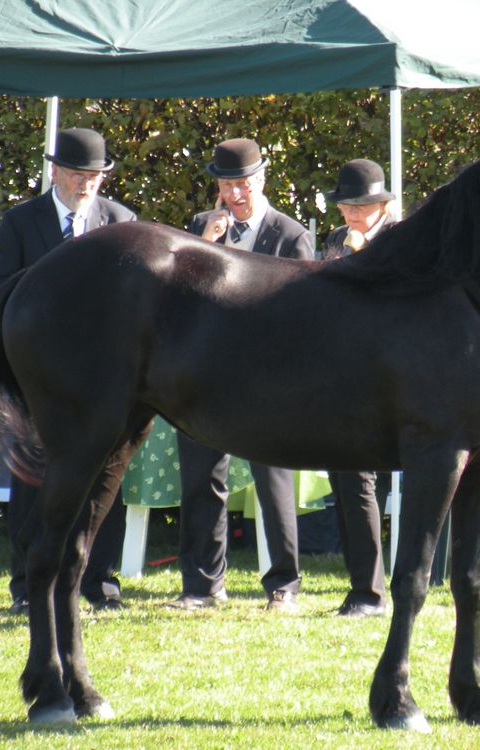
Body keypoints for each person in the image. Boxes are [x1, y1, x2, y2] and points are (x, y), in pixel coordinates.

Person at [0, 127, 138, 613]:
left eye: (94, 176)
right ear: (55, 173)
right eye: (77, 175)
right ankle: (28, 585)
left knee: (106, 474)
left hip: (104, 375)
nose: (86, 184)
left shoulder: (121, 221)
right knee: (33, 476)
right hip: (40, 374)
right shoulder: (21, 222)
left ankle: (100, 583)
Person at [167, 137, 315, 613]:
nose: (235, 193)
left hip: (266, 379)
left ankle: (284, 587)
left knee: (274, 482)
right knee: (202, 480)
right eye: (227, 184)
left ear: (262, 179)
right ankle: (202, 587)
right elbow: (175, 300)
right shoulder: (196, 228)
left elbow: (302, 316)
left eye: (243, 183)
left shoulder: (290, 234)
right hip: (206, 376)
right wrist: (203, 244)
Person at [318, 158, 395, 616]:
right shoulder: (334, 240)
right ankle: (358, 587)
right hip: (339, 371)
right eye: (346, 206)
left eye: (361, 206)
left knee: (359, 477)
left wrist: (365, 253)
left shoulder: (401, 238)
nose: (352, 214)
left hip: (384, 374)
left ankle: (370, 593)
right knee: (344, 478)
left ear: (383, 204)